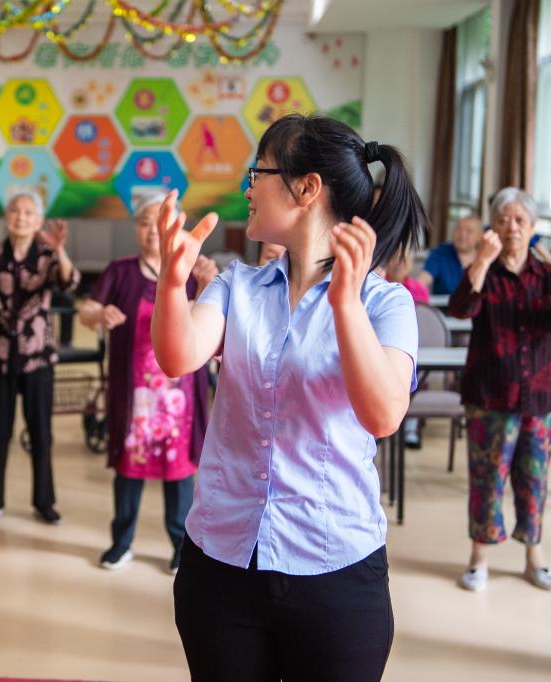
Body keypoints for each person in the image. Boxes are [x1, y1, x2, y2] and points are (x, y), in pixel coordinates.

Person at [154, 113, 426, 681]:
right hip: (221, 564)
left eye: (259, 171)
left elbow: (382, 415)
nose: (247, 186)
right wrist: (170, 279)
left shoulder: (386, 304)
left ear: (307, 188)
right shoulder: (238, 286)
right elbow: (178, 355)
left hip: (335, 572)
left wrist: (346, 303)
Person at [448, 187, 551, 593]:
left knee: (535, 479)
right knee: (486, 478)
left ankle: (534, 558)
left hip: (540, 397)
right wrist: (481, 261)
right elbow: (460, 308)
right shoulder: (484, 271)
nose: (512, 227)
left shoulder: (546, 274)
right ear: (493, 225)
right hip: (490, 395)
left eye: (520, 220)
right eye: (505, 219)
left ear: (533, 228)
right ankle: (479, 559)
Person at [79, 193, 218, 573]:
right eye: (145, 222)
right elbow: (87, 309)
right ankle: (121, 542)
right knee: (128, 470)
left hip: (180, 399)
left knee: (179, 475)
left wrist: (208, 285)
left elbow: (211, 323)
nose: (153, 230)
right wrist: (97, 313)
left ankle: (181, 546)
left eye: (162, 221)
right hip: (134, 396)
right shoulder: (119, 271)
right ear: (137, 229)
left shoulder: (192, 271)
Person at [0, 190, 80, 526]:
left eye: (28, 212)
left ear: (38, 220)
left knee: (41, 433)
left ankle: (44, 501)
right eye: (15, 211)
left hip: (36, 358)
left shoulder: (46, 253)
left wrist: (61, 251)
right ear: (6, 216)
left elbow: (69, 282)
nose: (21, 217)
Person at [419, 215, 483, 295]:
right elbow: (421, 283)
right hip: (443, 307)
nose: (462, 234)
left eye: (469, 231)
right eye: (458, 229)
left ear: (480, 237)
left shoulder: (485, 258)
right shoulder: (440, 253)